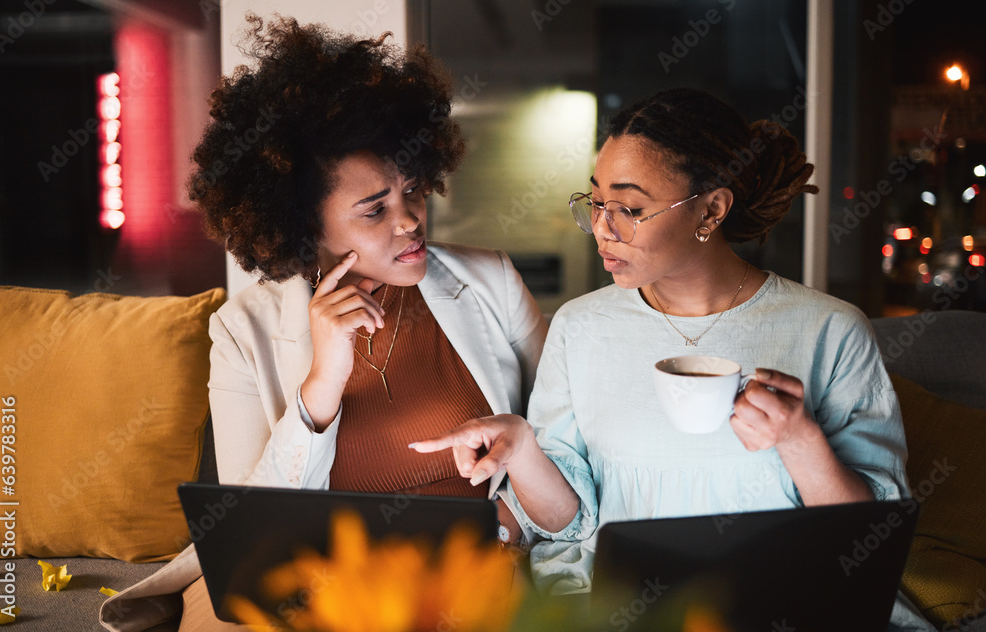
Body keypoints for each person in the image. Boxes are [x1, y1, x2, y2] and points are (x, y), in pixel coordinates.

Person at [412, 88, 935, 631]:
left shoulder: (828, 329)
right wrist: (523, 447)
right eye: (595, 202)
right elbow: (566, 525)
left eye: (630, 209)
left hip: (778, 600)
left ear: (711, 208)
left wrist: (800, 440)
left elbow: (869, 537)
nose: (602, 228)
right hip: (622, 603)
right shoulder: (580, 326)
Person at [99, 15, 546, 632]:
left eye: (413, 190)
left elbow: (563, 434)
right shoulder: (243, 330)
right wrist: (322, 385)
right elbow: (249, 522)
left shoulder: (490, 280)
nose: (411, 219)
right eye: (374, 209)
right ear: (307, 224)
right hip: (322, 582)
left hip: (475, 570)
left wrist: (510, 526)